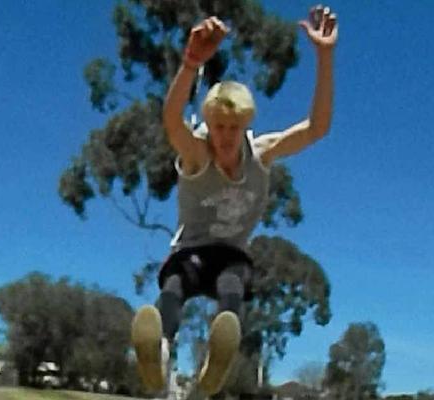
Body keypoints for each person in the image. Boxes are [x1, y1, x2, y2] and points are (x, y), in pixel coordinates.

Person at [131, 5, 338, 396]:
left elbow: (317, 128)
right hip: (190, 251)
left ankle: (218, 355)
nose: (225, 137)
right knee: (176, 282)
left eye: (233, 127)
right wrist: (190, 64)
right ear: (208, 125)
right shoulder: (196, 155)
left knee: (233, 280)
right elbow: (173, 121)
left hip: (231, 254)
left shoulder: (262, 153)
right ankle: (160, 348)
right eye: (218, 127)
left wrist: (325, 56)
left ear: (245, 125)